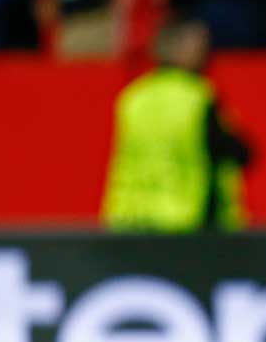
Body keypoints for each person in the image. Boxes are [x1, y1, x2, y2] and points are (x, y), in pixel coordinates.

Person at [101, 19, 251, 232]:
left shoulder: (134, 96)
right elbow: (234, 151)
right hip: (185, 221)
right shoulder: (197, 97)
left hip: (131, 218)